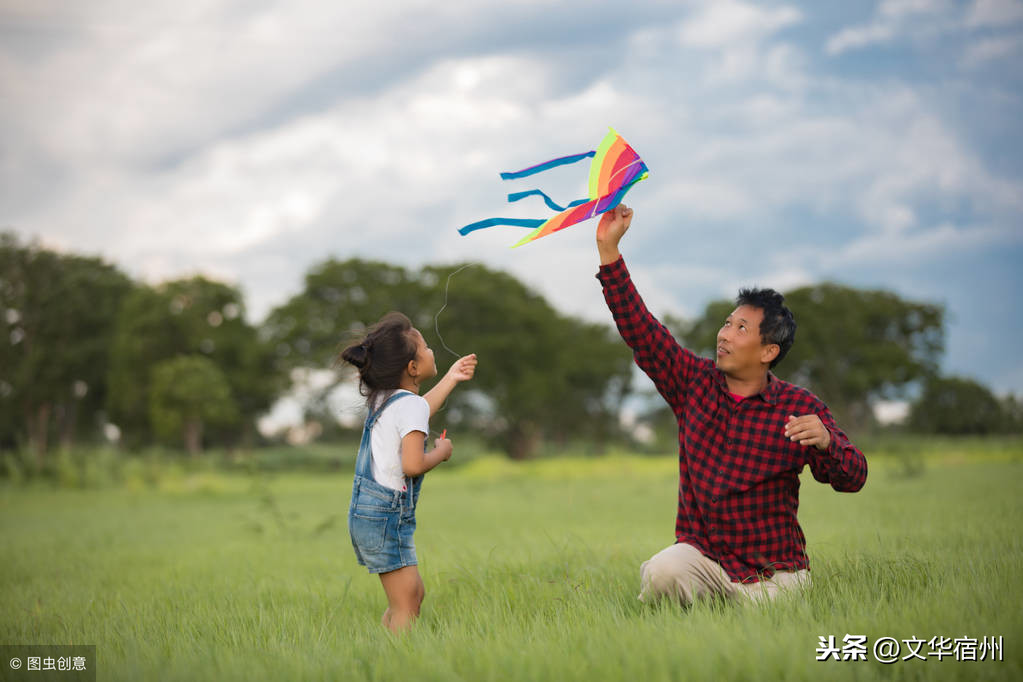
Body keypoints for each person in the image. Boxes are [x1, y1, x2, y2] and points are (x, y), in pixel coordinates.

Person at [594, 204, 867, 606]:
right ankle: (714, 613)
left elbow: (853, 477)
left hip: (774, 571)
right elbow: (641, 330)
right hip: (703, 557)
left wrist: (828, 443)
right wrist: (608, 251)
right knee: (662, 573)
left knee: (763, 611)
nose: (725, 334)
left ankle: (733, 612)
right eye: (727, 323)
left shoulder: (798, 406)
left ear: (768, 351)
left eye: (741, 329)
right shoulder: (692, 383)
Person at [339, 311, 477, 632]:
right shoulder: (408, 405)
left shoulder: (387, 400)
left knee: (413, 594)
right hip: (386, 517)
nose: (432, 351)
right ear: (413, 368)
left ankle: (388, 649)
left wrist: (451, 377)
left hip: (370, 514)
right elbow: (413, 465)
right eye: (426, 347)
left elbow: (419, 410)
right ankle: (395, 660)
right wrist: (440, 453)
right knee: (406, 603)